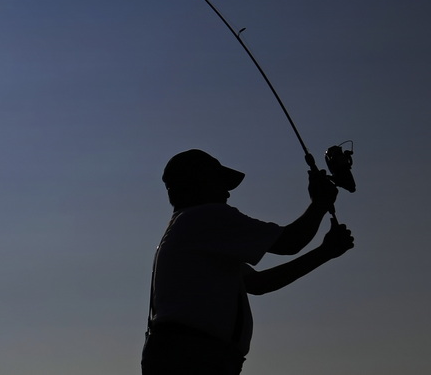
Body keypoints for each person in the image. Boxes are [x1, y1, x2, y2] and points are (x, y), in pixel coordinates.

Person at [141, 149, 354, 375]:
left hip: (189, 355)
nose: (227, 194)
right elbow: (291, 242)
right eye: (220, 183)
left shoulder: (189, 231)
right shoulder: (206, 217)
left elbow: (260, 284)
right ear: (199, 182)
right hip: (193, 356)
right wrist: (320, 203)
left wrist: (324, 252)